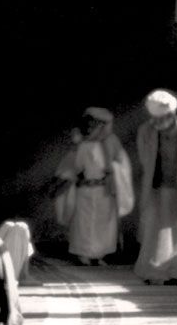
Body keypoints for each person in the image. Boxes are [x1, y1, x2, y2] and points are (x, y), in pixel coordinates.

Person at [135, 89, 177, 284]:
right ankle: (151, 272)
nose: (157, 123)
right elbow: (144, 159)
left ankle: (173, 272)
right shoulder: (146, 130)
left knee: (176, 232)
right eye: (154, 118)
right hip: (155, 188)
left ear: (171, 114)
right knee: (152, 231)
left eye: (161, 118)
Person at [56, 107, 133, 265]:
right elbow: (72, 166)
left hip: (105, 189)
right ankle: (83, 254)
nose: (98, 127)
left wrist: (113, 169)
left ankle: (99, 255)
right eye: (95, 123)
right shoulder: (81, 143)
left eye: (102, 124)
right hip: (85, 189)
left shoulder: (112, 142)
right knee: (84, 222)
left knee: (103, 222)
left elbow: (123, 164)